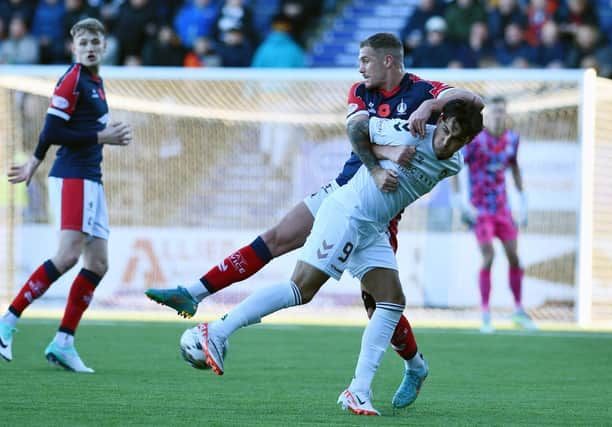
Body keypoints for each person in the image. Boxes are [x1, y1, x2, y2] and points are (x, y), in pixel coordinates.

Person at [146, 32, 481, 408]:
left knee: (388, 303)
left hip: (376, 223)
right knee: (298, 284)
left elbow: (473, 102)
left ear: (388, 61)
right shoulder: (400, 120)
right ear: (440, 122)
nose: (448, 141)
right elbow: (358, 129)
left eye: (366, 59)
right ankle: (214, 325)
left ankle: (372, 385)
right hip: (347, 204)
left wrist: (431, 106)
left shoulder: (448, 149)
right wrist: (381, 160)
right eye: (447, 131)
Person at [0, 18, 132, 372]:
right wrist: (34, 162)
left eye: (95, 42)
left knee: (99, 262)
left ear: (105, 47)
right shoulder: (73, 78)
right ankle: (7, 321)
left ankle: (63, 342)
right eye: (83, 42)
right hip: (74, 176)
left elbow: (73, 127)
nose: (89, 47)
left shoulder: (96, 82)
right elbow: (53, 129)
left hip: (92, 177)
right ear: (73, 48)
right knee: (68, 254)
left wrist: (102, 136)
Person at [451, 96, 535, 333]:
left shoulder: (512, 139)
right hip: (480, 210)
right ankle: (486, 314)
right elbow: (456, 167)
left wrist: (523, 199)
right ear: (487, 115)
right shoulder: (476, 141)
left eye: (502, 111)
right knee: (488, 257)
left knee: (515, 257)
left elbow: (514, 167)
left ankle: (518, 310)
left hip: (503, 209)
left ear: (505, 113)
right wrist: (460, 202)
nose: (498, 115)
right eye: (494, 111)